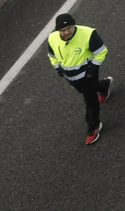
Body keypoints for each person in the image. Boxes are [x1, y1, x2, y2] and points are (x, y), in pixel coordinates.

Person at [46, 13, 111, 145]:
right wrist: (58, 69)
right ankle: (104, 86)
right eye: (62, 30)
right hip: (70, 76)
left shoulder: (88, 34)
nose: (66, 32)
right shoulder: (52, 38)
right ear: (57, 30)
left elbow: (101, 51)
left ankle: (94, 126)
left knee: (90, 99)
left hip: (88, 75)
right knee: (85, 92)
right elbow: (52, 55)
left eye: (69, 28)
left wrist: (92, 70)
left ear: (74, 25)